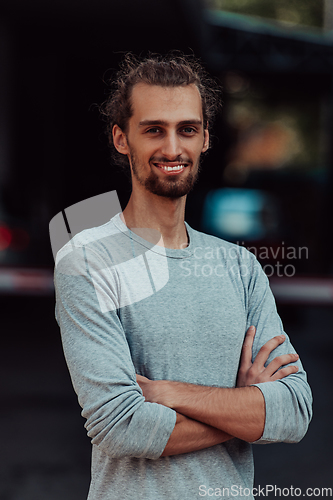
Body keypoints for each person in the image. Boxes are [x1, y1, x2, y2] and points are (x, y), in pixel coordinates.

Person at [54, 53, 312, 500]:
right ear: (121, 138)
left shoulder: (240, 267)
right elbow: (122, 426)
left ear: (205, 139)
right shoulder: (88, 261)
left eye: (187, 129)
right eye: (154, 129)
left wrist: (171, 393)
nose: (172, 148)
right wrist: (244, 408)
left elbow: (294, 411)